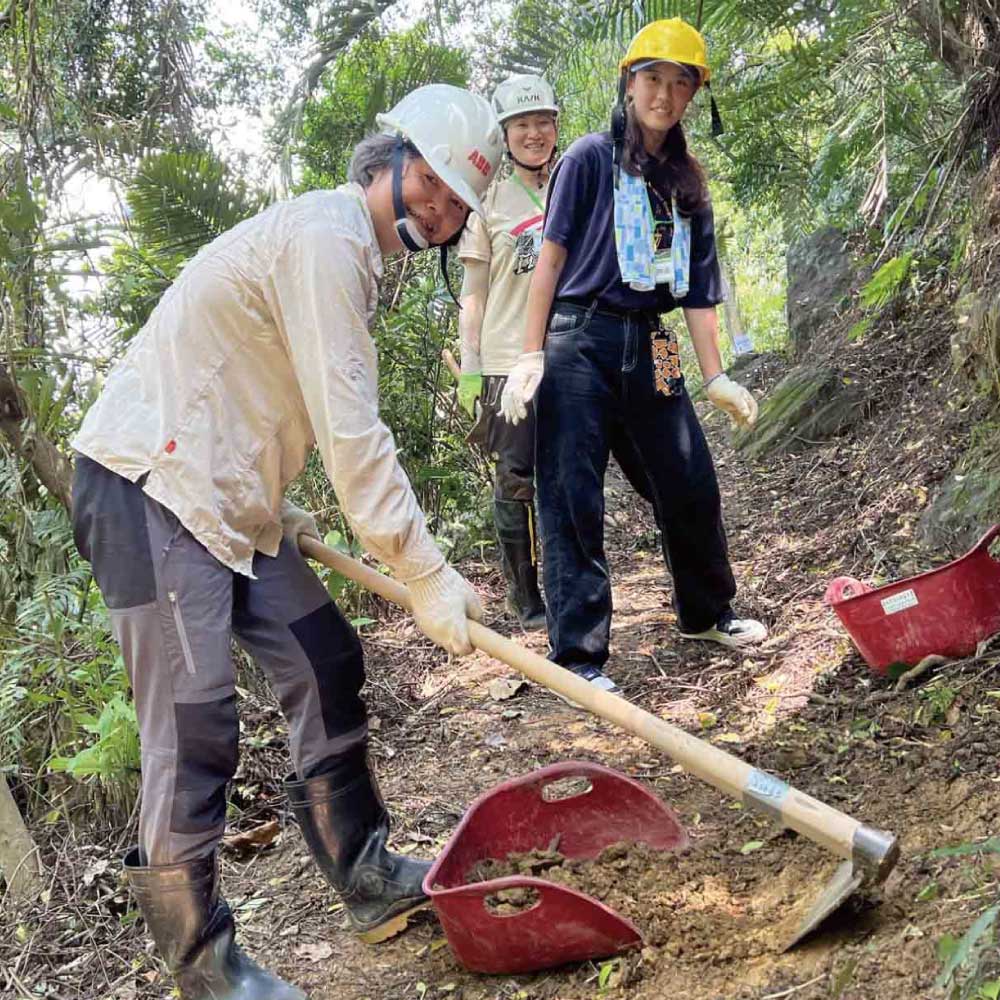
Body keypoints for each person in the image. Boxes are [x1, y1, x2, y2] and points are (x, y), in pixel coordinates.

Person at [70, 85, 503, 1000]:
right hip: (148, 488)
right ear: (389, 161)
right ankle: (206, 969)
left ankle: (367, 872)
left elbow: (278, 395)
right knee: (192, 723)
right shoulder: (328, 237)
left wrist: (278, 501)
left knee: (324, 656)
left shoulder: (348, 258)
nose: (439, 205)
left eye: (458, 200)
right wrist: (422, 569)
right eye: (429, 178)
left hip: (228, 503)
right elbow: (353, 435)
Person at [500, 19, 767, 696]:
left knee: (689, 480)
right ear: (629, 84)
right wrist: (530, 354)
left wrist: (716, 375)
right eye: (653, 79)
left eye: (681, 83)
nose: (665, 94)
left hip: (652, 340)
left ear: (693, 96)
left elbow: (699, 294)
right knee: (571, 499)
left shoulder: (686, 183)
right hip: (578, 340)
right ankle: (580, 659)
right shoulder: (588, 158)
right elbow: (551, 260)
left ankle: (707, 614)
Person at [456, 74, 559, 630]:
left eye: (543, 121)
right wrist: (472, 370)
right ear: (505, 134)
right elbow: (473, 294)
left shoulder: (572, 185)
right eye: (522, 124)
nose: (534, 133)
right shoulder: (485, 204)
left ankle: (567, 581)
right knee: (515, 477)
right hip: (504, 361)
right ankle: (526, 595)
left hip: (566, 353)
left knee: (565, 471)